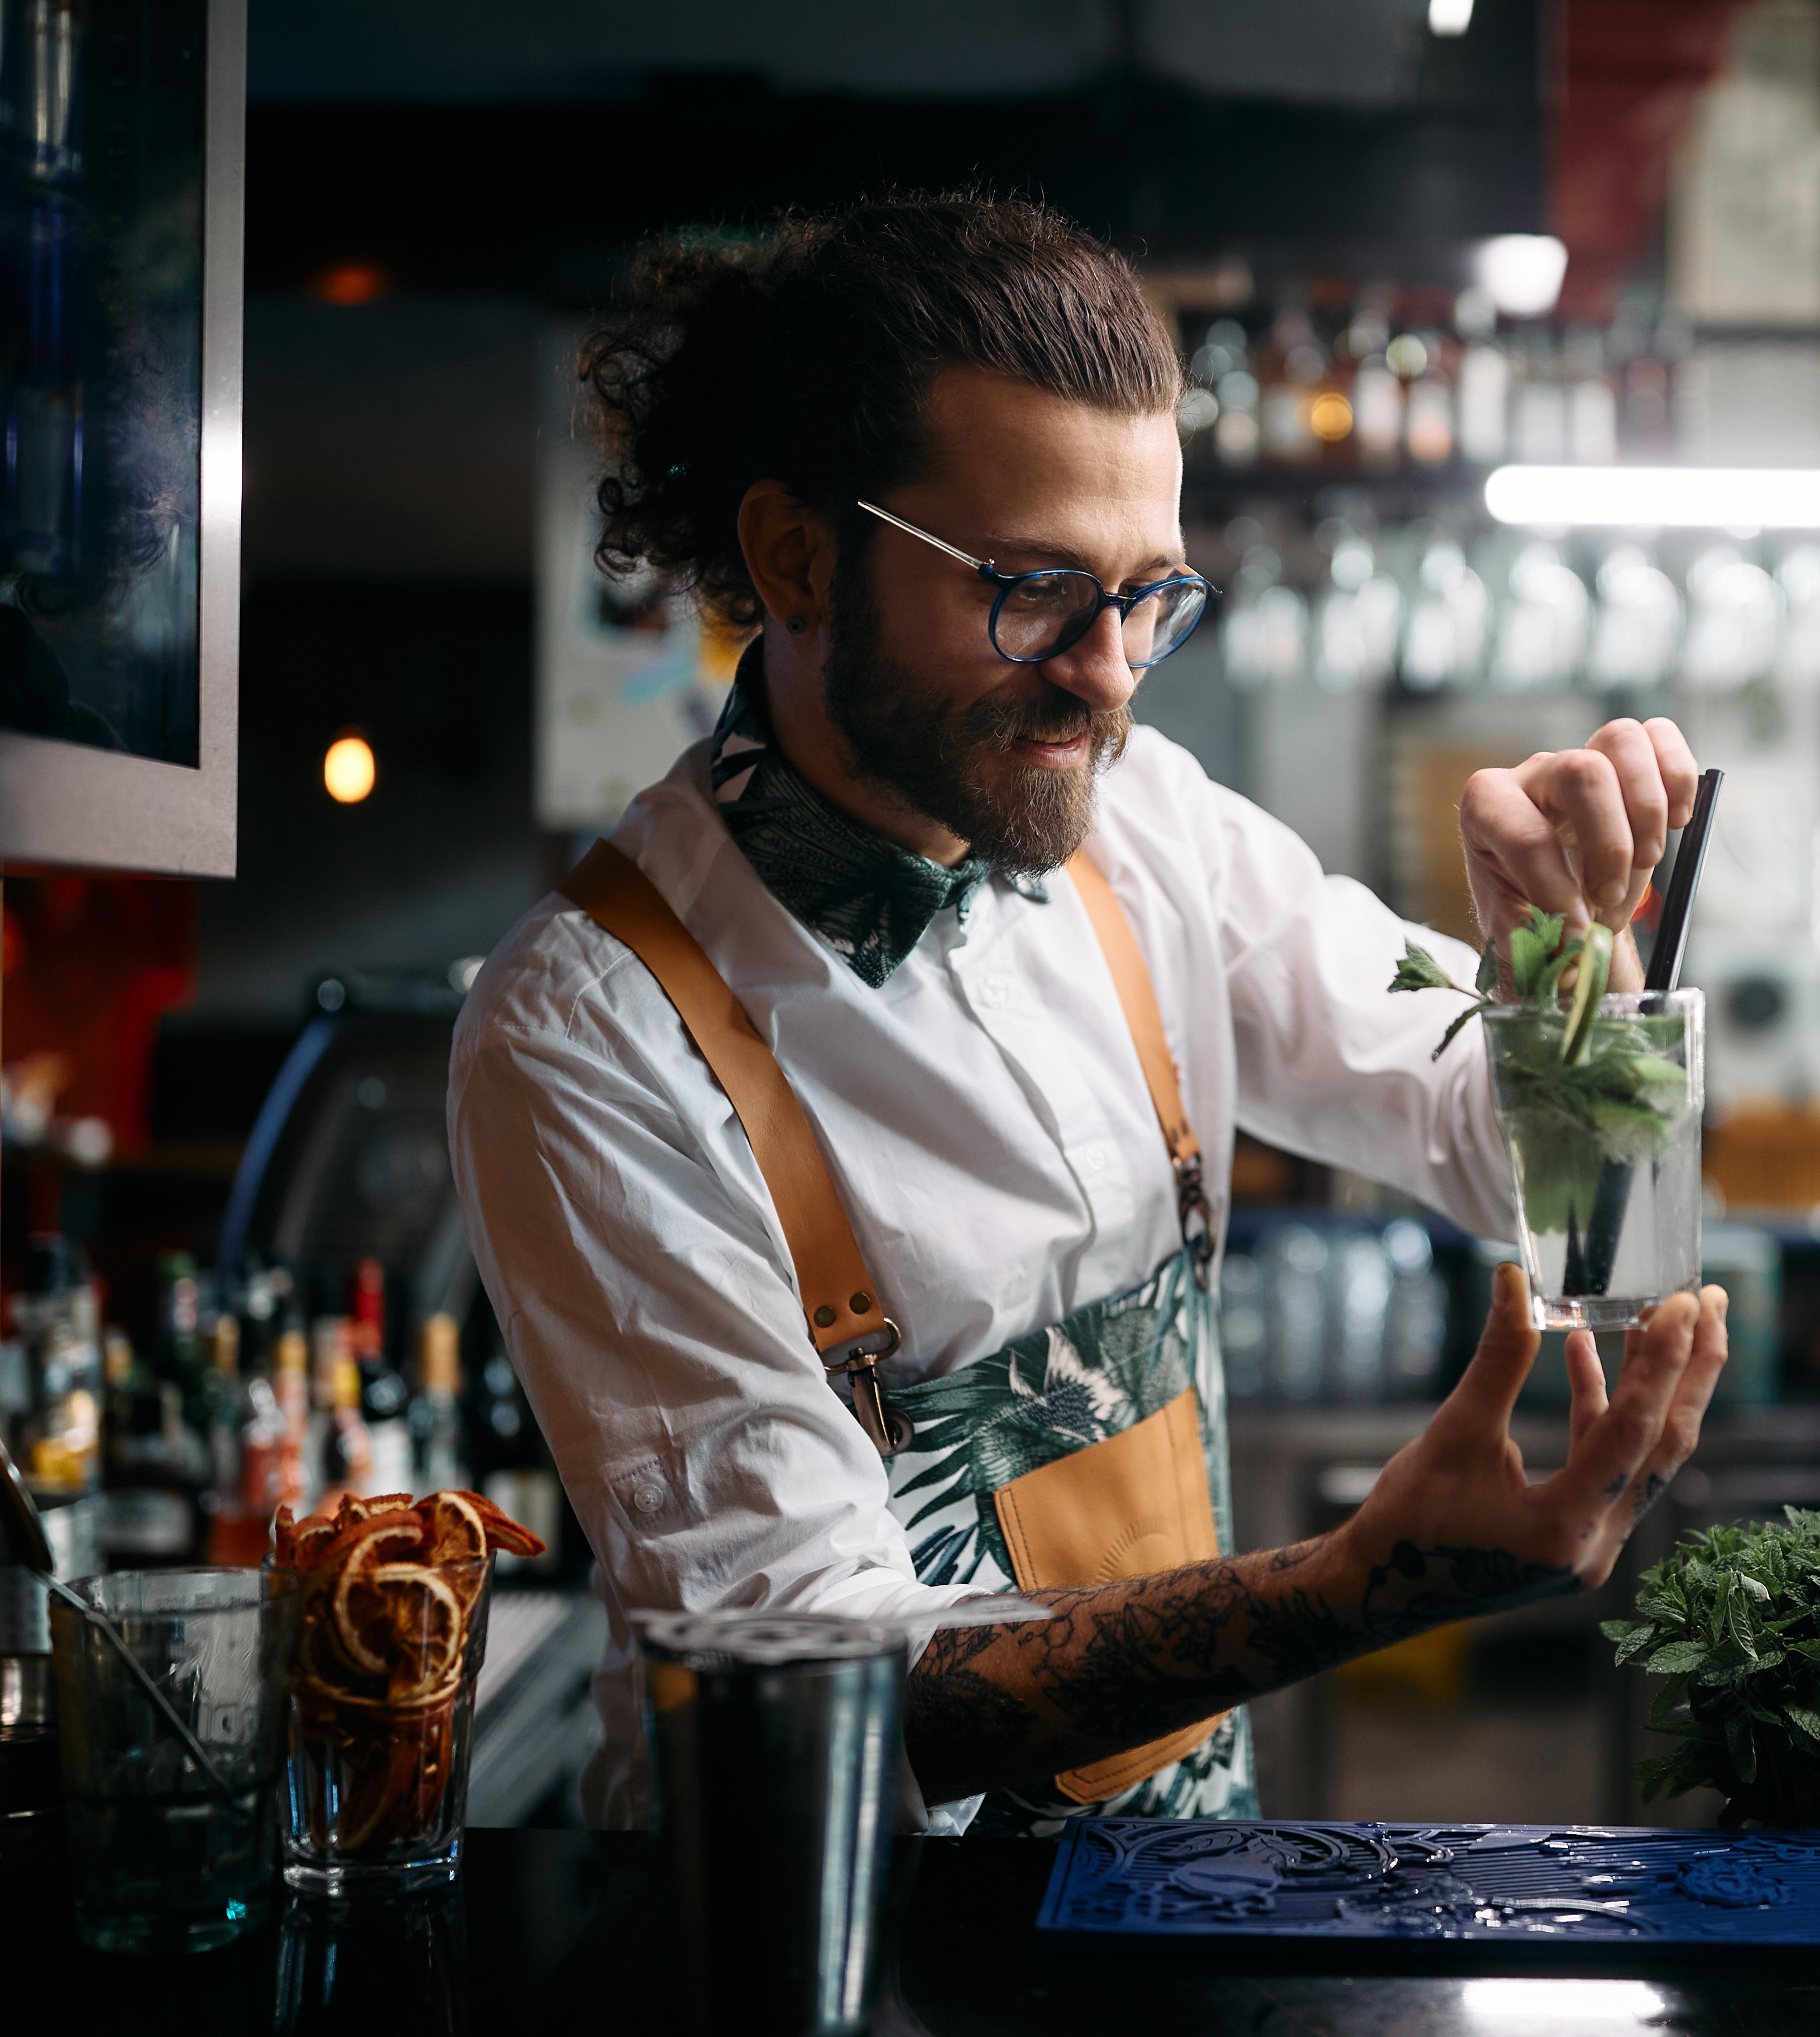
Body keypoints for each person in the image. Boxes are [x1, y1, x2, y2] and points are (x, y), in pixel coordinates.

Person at [446, 193, 1731, 1835]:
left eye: (1150, 596)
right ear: (793, 557)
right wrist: (1348, 1585)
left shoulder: (1151, 825)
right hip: (834, 1936)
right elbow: (823, 1674)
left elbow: (1561, 1203)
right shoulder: (590, 1033)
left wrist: (1569, 962)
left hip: (1176, 1896)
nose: (1114, 673)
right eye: (1036, 590)